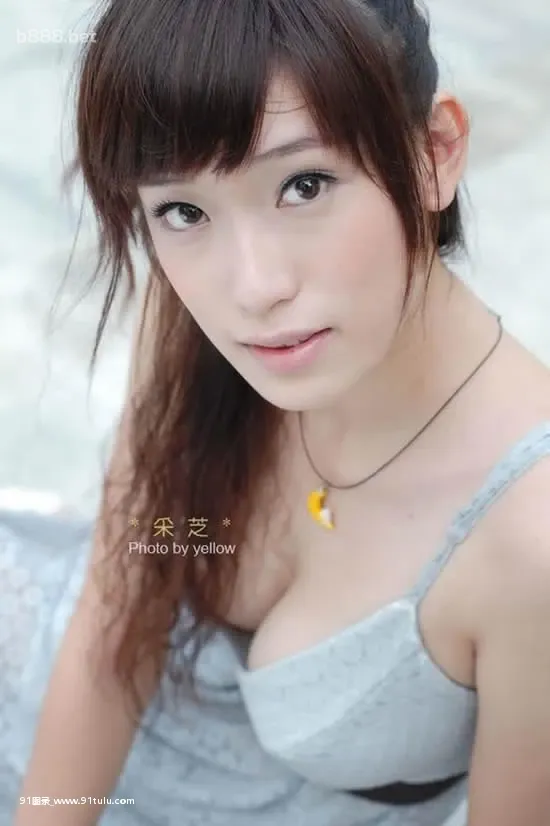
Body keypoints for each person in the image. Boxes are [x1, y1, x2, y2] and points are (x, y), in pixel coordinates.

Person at [11, 0, 550, 824]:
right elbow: (114, 621)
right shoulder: (193, 317)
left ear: (436, 152)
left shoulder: (528, 537)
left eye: (304, 185)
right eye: (183, 210)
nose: (255, 287)